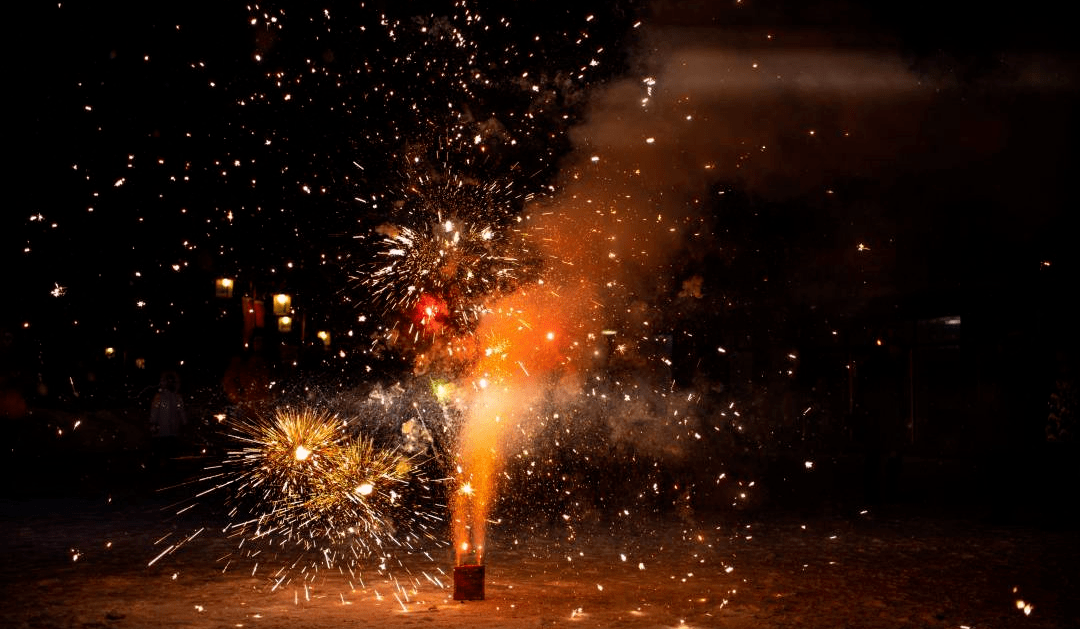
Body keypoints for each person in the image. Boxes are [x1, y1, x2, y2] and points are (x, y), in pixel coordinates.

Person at [150, 370, 187, 464]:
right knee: (159, 450)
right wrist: (153, 424)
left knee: (171, 452)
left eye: (171, 381)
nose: (170, 383)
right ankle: (156, 466)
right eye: (168, 381)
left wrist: (184, 423)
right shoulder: (159, 397)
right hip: (162, 430)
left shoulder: (177, 397)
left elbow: (181, 411)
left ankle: (170, 467)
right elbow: (154, 411)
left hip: (173, 430)